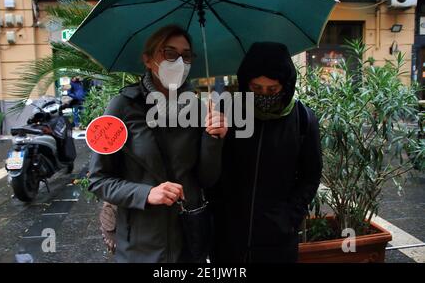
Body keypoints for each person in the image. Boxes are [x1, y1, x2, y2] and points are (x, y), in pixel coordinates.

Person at [88, 24, 227, 263]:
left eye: (186, 55)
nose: (179, 62)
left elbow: (206, 179)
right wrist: (146, 193)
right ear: (148, 59)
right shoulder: (121, 106)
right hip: (141, 247)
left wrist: (213, 139)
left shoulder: (198, 109)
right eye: (170, 53)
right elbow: (99, 180)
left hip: (188, 241)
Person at [210, 42, 322, 263]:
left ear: (286, 85)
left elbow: (311, 175)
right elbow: (209, 172)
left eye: (273, 90)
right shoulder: (227, 113)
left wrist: (289, 217)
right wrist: (210, 139)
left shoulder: (303, 119)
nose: (264, 95)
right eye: (256, 88)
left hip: (277, 241)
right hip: (228, 238)